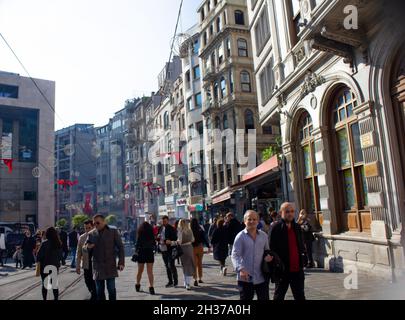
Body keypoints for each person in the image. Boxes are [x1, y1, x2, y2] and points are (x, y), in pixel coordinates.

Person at [231, 210, 273, 301]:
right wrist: (241, 269)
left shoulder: (263, 236)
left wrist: (268, 257)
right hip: (245, 277)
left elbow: (267, 251)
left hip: (261, 277)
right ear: (245, 221)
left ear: (258, 221)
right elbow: (235, 255)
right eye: (249, 219)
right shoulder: (240, 236)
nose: (252, 221)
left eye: (254, 219)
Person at [270, 202, 306, 301]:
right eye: (287, 212)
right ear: (281, 213)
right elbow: (271, 249)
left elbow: (300, 245)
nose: (289, 214)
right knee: (278, 297)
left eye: (291, 211)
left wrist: (303, 259)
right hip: (282, 271)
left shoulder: (297, 227)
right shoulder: (275, 228)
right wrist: (276, 266)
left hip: (297, 270)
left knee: (300, 296)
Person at [86, 214, 125, 301]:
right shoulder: (91, 233)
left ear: (104, 222)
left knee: (111, 290)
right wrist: (88, 248)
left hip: (110, 265)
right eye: (94, 223)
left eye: (97, 223)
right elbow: (85, 250)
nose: (95, 225)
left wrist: (121, 262)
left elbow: (120, 247)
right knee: (99, 291)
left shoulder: (113, 231)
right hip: (97, 267)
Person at [36, 227, 63, 301]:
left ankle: (44, 299)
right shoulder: (58, 244)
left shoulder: (44, 244)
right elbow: (61, 256)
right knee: (54, 285)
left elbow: (38, 256)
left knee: (45, 285)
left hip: (44, 266)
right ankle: (56, 298)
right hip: (54, 266)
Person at [76, 220, 97, 300]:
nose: (87, 230)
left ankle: (94, 295)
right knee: (87, 281)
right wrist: (77, 266)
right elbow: (78, 253)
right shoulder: (82, 238)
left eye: (89, 228)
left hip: (96, 264)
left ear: (93, 227)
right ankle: (93, 292)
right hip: (86, 263)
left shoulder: (97, 235)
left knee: (95, 282)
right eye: (86, 228)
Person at [135, 222, 156, 295]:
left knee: (140, 271)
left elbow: (137, 243)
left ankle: (137, 285)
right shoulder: (151, 233)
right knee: (150, 272)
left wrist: (136, 251)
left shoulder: (140, 233)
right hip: (149, 252)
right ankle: (151, 287)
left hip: (141, 252)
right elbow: (154, 243)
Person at [158, 215, 178, 287]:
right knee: (167, 266)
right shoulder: (160, 228)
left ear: (168, 221)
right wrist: (158, 238)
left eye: (165, 221)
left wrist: (167, 241)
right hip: (163, 249)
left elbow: (175, 238)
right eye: (163, 221)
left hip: (170, 249)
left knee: (171, 265)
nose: (164, 222)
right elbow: (159, 236)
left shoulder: (171, 228)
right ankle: (170, 281)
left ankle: (175, 281)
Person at [175, 219, 195, 290]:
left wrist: (174, 242)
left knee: (185, 266)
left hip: (183, 248)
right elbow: (193, 239)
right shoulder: (190, 230)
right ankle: (187, 282)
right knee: (190, 265)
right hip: (190, 247)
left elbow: (179, 241)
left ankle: (186, 283)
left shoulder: (180, 231)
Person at [190, 218, 209, 286]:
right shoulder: (200, 228)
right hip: (200, 247)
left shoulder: (190, 229)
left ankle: (195, 279)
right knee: (200, 263)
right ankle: (200, 278)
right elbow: (204, 238)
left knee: (194, 264)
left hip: (192, 248)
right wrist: (208, 246)